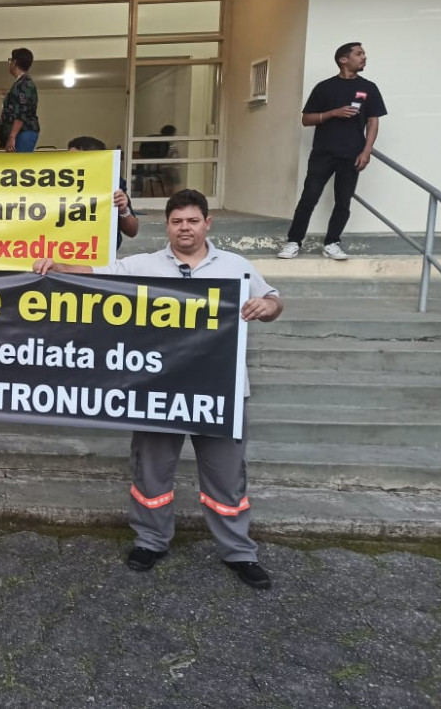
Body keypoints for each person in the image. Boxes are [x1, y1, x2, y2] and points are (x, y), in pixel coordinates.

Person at [34, 189, 283, 590]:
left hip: (220, 392)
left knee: (226, 477)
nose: (185, 228)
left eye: (193, 221)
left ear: (207, 223)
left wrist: (267, 307)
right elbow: (98, 273)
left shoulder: (236, 265)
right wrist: (57, 267)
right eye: (176, 221)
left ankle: (239, 551)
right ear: (167, 225)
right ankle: (150, 541)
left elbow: (272, 300)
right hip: (158, 391)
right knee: (151, 472)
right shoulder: (143, 265)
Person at [279, 43, 386, 261]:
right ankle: (293, 241)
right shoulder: (324, 87)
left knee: (343, 201)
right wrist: (332, 113)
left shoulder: (369, 88)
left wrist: (366, 151)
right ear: (343, 60)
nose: (364, 57)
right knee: (309, 198)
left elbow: (373, 122)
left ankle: (332, 243)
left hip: (352, 154)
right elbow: (306, 119)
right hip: (323, 153)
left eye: (363, 54)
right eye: (359, 54)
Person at [68, 136, 139, 249]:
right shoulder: (53, 184)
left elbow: (132, 231)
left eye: (82, 161)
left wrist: (123, 211)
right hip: (62, 251)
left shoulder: (112, 183)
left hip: (100, 253)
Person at [1, 48, 40, 153]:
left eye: (10, 60)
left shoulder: (23, 84)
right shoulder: (23, 83)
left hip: (23, 132)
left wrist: (12, 136)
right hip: (22, 131)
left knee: (19, 161)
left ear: (14, 62)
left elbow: (21, 112)